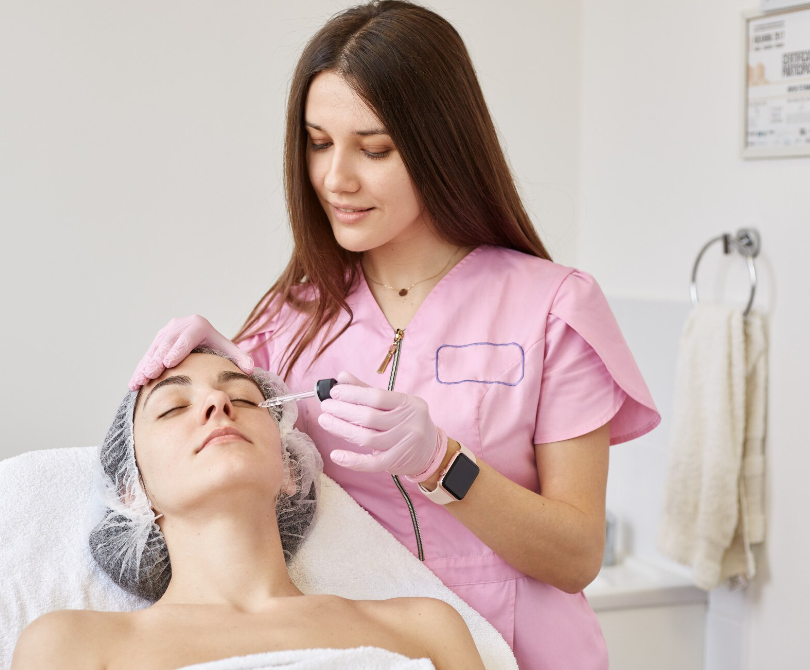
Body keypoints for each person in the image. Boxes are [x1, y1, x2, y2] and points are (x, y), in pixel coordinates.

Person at [127, 2, 662, 668]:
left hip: (531, 653)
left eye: (374, 148)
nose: (334, 178)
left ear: (441, 145)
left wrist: (444, 465)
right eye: (318, 142)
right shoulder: (291, 317)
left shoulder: (552, 307)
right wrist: (219, 368)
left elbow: (577, 555)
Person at [11, 347, 485, 670]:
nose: (218, 401)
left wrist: (443, 461)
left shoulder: (425, 626)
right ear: (133, 491)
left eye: (242, 397)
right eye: (174, 407)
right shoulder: (71, 646)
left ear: (291, 472)